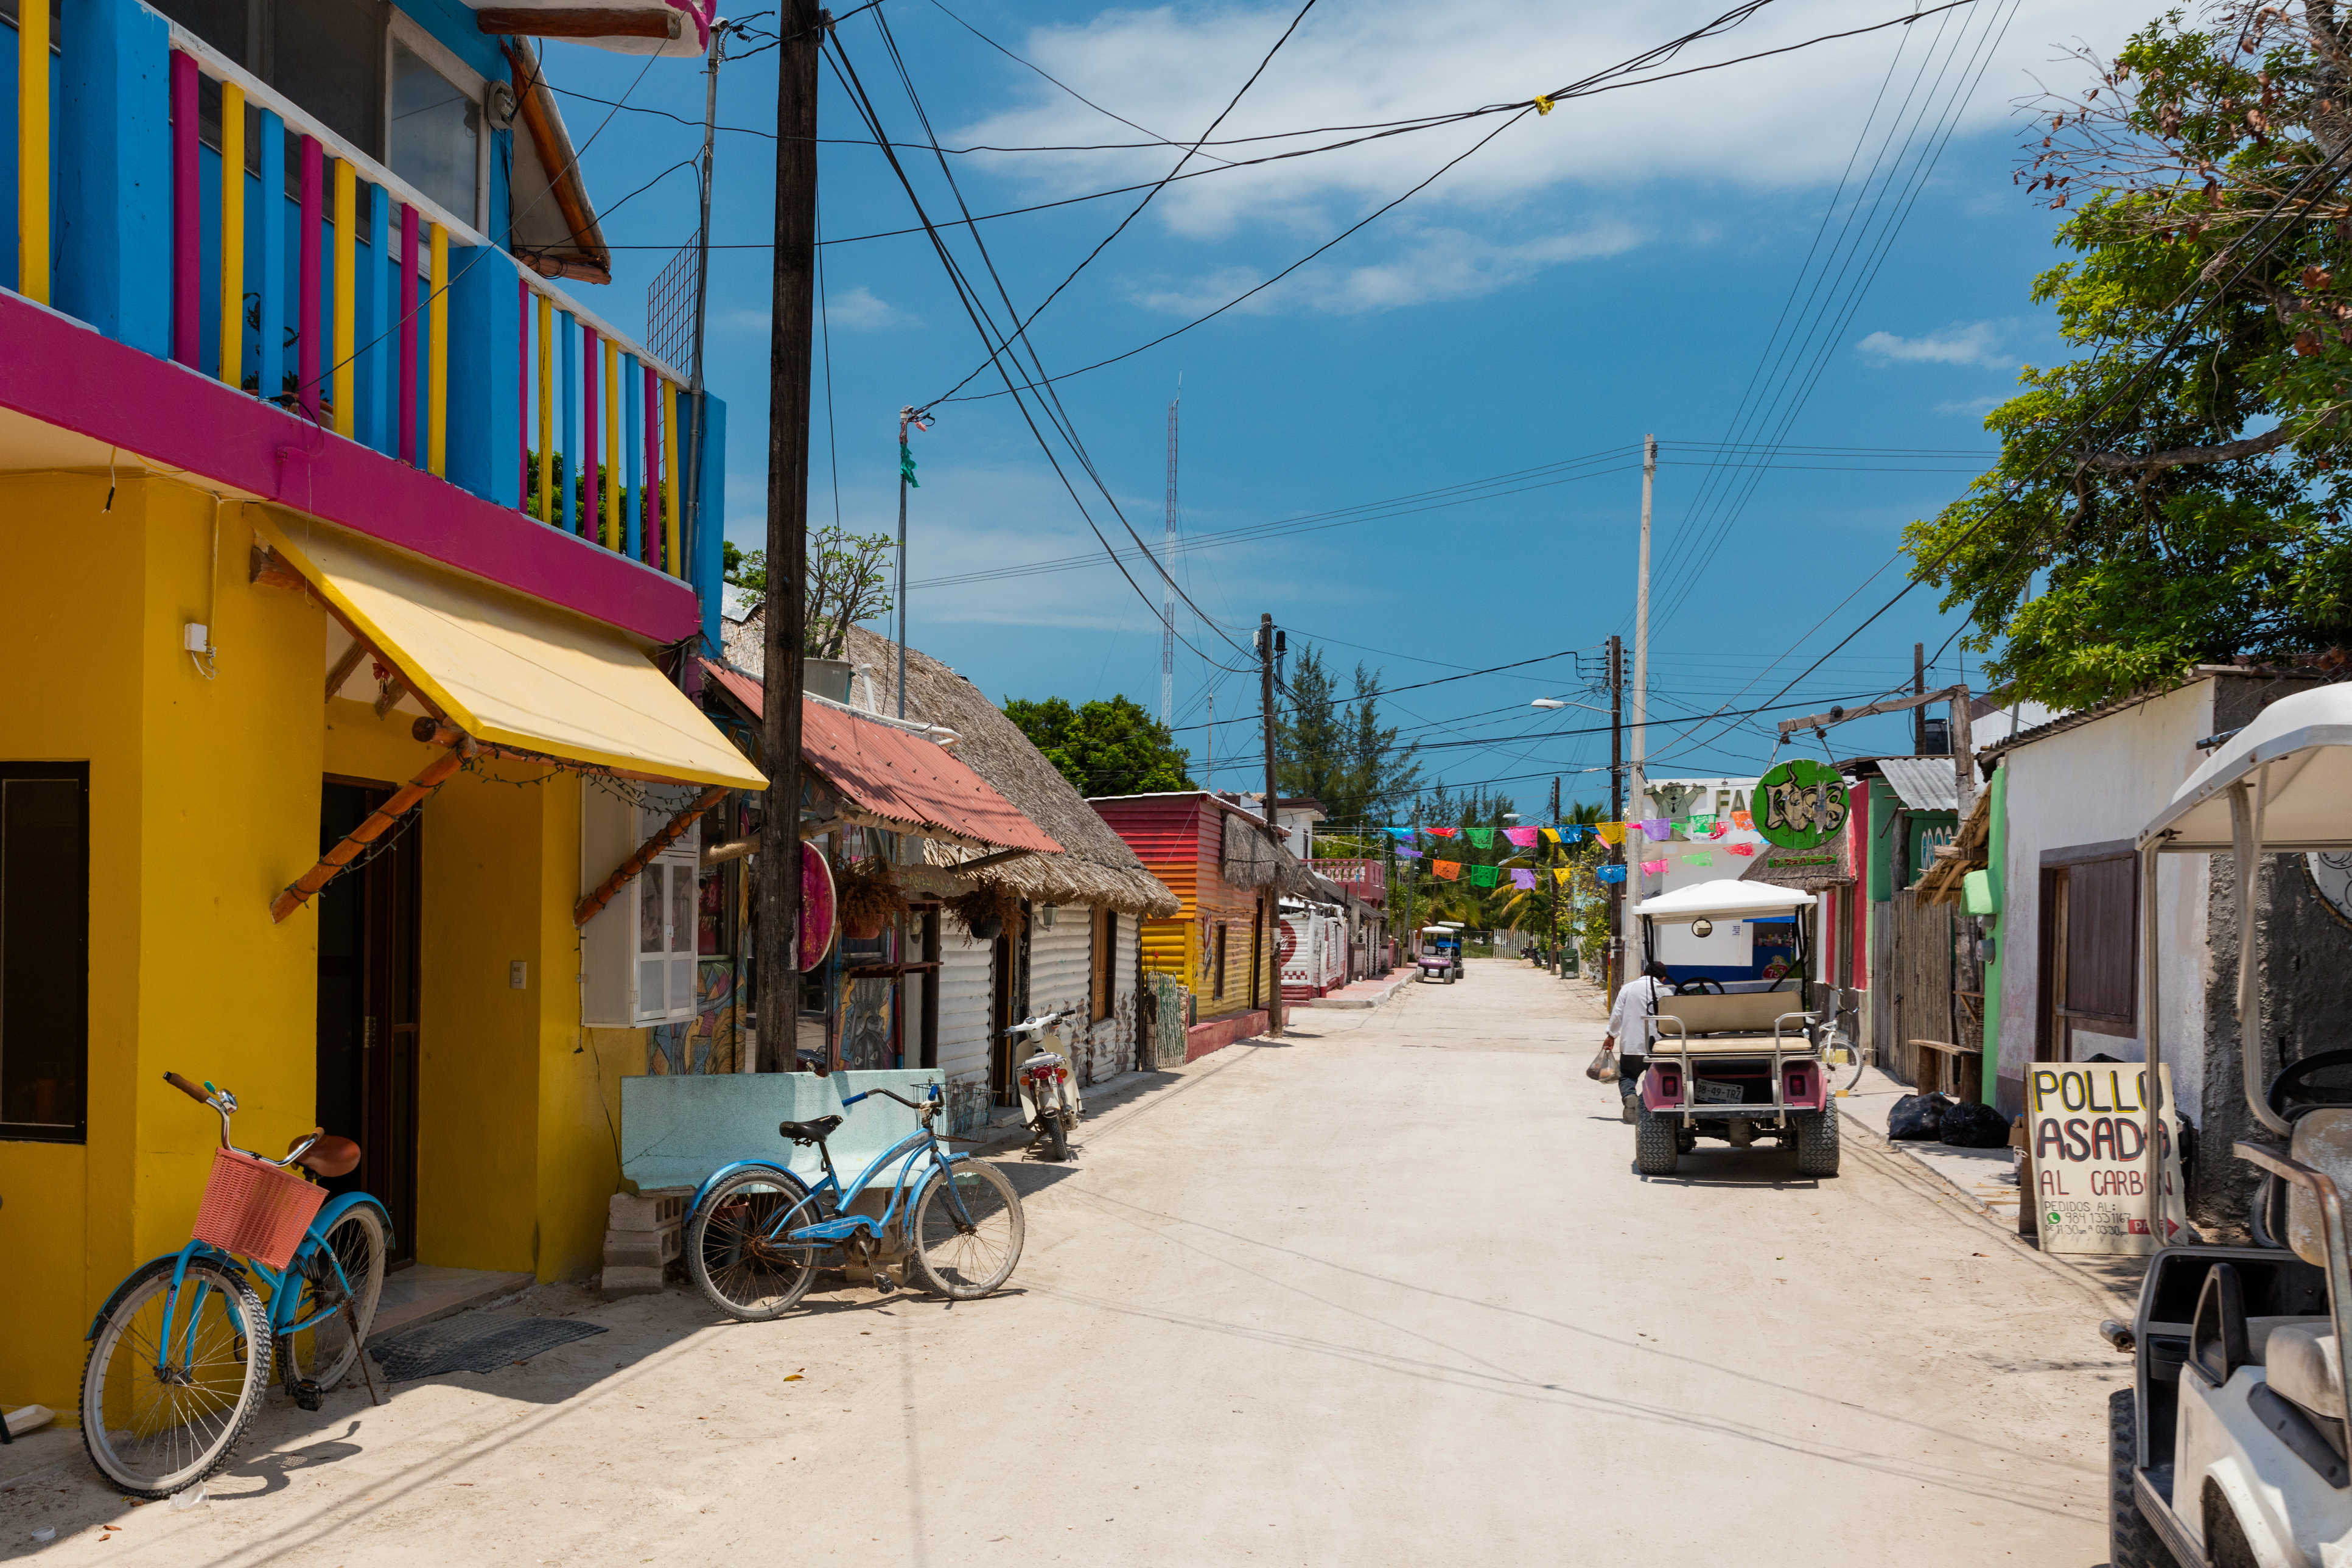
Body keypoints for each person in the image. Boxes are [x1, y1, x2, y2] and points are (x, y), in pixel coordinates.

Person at [1602, 959, 1673, 1124]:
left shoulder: (1628, 988)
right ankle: (1650, 1110)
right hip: (1658, 1047)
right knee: (1657, 1079)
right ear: (1663, 978)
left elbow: (1617, 1014)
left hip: (1632, 1045)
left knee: (1627, 1075)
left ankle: (1630, 1097)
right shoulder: (1666, 992)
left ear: (1643, 973)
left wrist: (1611, 1035)